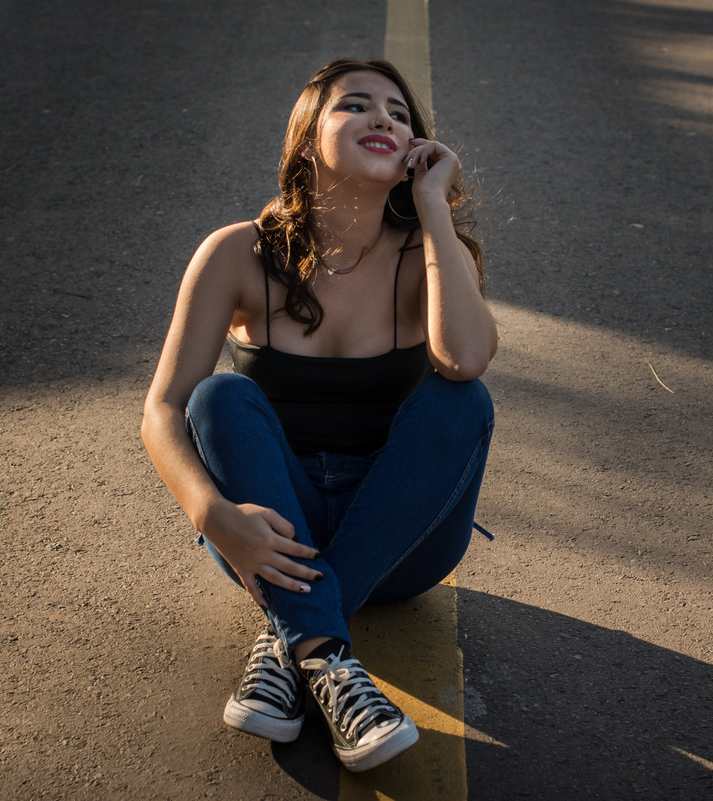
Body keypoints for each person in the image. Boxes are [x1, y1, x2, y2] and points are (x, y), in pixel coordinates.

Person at [141, 57, 497, 773]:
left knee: (462, 400)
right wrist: (214, 515)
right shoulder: (237, 253)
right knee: (219, 395)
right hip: (266, 539)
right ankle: (330, 660)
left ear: (413, 151)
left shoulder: (432, 252)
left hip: (403, 540)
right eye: (355, 106)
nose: (382, 120)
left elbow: (463, 359)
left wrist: (434, 209)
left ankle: (297, 643)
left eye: (398, 114)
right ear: (307, 142)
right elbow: (163, 408)